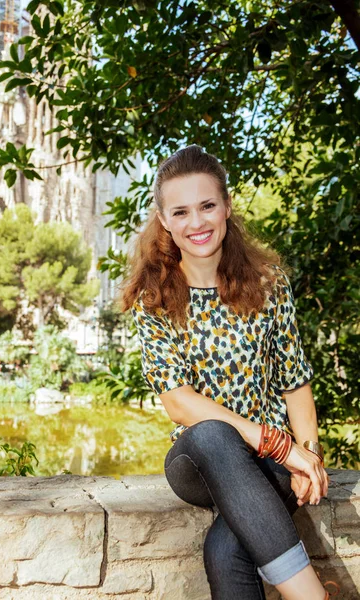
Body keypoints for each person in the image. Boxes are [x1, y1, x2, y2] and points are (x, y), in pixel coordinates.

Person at [119, 145, 338, 600]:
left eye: (206, 206)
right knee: (216, 434)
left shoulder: (267, 282)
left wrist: (308, 456)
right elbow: (179, 402)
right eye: (180, 211)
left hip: (271, 465)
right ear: (163, 220)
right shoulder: (155, 296)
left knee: (226, 548)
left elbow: (294, 380)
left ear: (226, 206)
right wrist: (280, 445)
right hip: (198, 459)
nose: (196, 223)